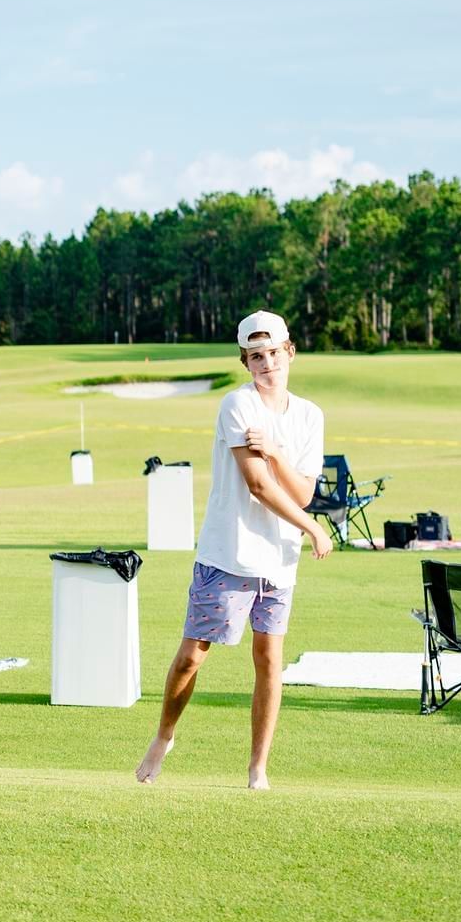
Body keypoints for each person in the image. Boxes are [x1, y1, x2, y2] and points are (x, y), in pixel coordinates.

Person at [135, 310, 328, 791]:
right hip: (229, 552)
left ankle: (258, 768)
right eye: (256, 357)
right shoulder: (236, 406)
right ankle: (164, 736)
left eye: (273, 354)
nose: (267, 364)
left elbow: (302, 490)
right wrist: (313, 529)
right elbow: (259, 486)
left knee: (269, 661)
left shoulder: (309, 416)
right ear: (245, 361)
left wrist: (278, 451)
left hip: (279, 561)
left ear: (290, 352)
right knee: (192, 657)